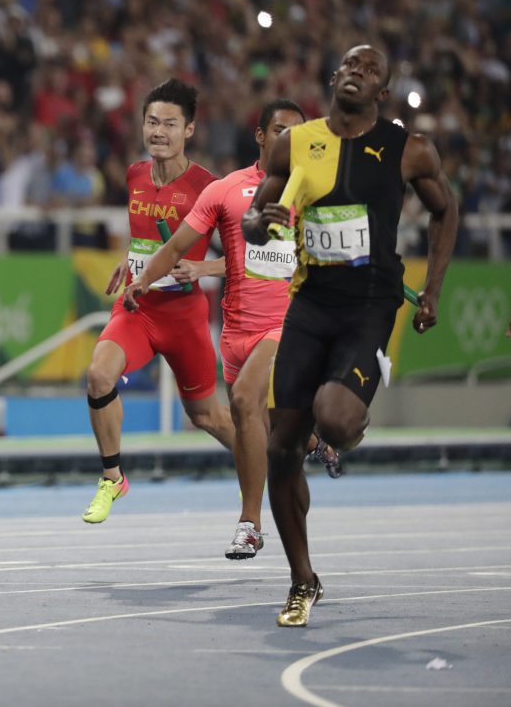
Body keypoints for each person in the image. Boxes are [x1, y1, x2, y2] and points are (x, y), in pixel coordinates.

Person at [243, 45, 458, 626]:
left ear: (382, 93)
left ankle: (348, 409)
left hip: (369, 304)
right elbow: (257, 212)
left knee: (332, 415)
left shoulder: (407, 149)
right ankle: (302, 580)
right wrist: (258, 221)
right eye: (350, 66)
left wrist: (433, 287)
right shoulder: (295, 142)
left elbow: (446, 210)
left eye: (371, 71)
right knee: (281, 446)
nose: (357, 75)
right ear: (333, 76)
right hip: (310, 303)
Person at [124, 99, 342, 559]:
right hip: (236, 332)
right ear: (260, 136)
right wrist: (143, 280)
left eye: (297, 133)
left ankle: (249, 523)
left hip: (285, 324)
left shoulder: (313, 192)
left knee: (244, 401)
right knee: (255, 427)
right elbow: (179, 243)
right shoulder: (225, 190)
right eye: (280, 130)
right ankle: (309, 441)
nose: (290, 140)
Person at [82, 78, 236, 523]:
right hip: (137, 308)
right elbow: (146, 238)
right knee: (97, 375)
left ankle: (266, 461)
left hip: (184, 315)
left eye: (170, 123)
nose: (158, 131)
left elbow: (249, 256)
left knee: (208, 417)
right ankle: (113, 477)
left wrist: (202, 269)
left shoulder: (211, 187)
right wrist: (129, 262)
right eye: (152, 122)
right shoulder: (133, 174)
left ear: (189, 129)